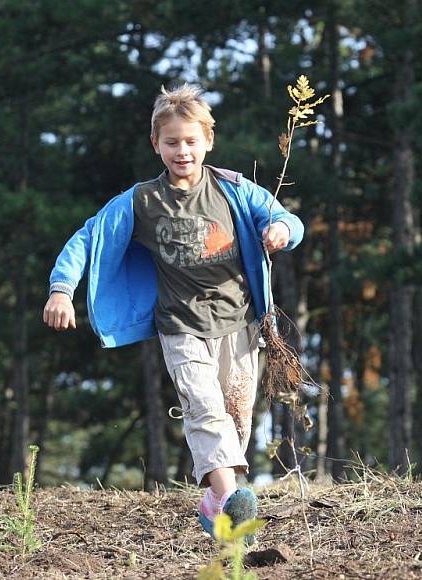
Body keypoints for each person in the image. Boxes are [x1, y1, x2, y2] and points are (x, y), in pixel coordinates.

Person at [42, 83, 304, 542]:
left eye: (190, 141)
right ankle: (229, 497)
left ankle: (212, 503)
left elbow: (285, 217)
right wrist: (62, 290)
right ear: (156, 145)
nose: (181, 150)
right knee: (203, 408)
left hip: (239, 322)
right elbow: (88, 238)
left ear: (207, 141)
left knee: (237, 418)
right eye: (171, 142)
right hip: (180, 325)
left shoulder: (234, 190)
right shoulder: (142, 200)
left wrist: (280, 229)